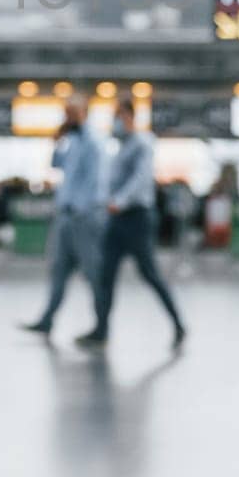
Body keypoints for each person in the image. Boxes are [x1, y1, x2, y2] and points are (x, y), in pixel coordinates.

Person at [77, 98, 186, 349]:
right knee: (105, 276)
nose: (115, 122)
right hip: (116, 220)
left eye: (118, 115)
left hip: (137, 218)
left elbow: (141, 178)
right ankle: (101, 329)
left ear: (129, 115)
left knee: (150, 274)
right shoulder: (120, 148)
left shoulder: (142, 143)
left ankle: (178, 323)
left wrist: (120, 201)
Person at [20, 98, 106, 337]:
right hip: (66, 217)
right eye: (66, 113)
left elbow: (95, 182)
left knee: (92, 272)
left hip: (84, 218)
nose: (68, 118)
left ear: (85, 113)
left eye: (72, 113)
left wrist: (82, 210)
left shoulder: (95, 142)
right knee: (58, 269)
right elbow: (55, 165)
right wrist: (57, 142)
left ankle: (101, 325)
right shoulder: (73, 142)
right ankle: (47, 319)